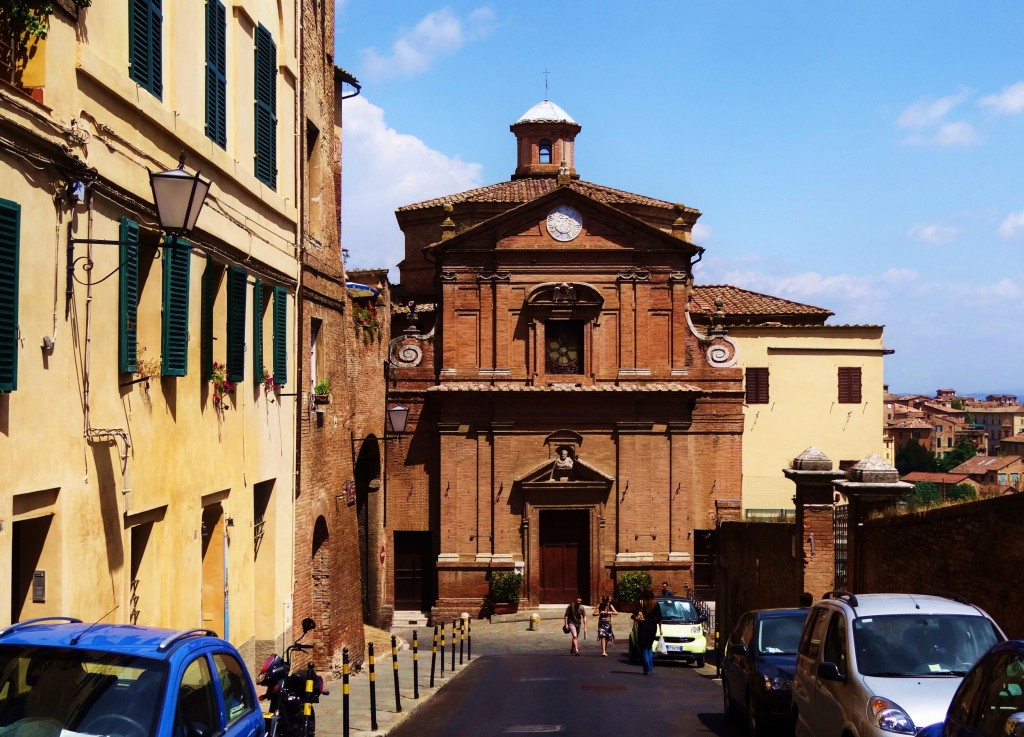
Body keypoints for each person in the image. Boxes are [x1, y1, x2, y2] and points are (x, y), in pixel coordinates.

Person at [632, 588, 663, 674]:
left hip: (643, 626)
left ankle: (646, 666)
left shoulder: (641, 603)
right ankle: (650, 667)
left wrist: (636, 619)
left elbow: (634, 615)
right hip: (653, 626)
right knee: (649, 646)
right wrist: (660, 629)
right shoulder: (656, 604)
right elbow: (660, 618)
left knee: (644, 647)